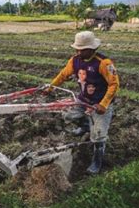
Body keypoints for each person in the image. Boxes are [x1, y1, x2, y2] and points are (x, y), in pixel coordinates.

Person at [46, 31, 120, 174]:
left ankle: (97, 162)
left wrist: (103, 104)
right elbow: (63, 74)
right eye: (77, 48)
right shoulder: (75, 60)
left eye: (82, 49)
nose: (78, 51)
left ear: (92, 49)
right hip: (83, 99)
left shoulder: (104, 63)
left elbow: (114, 84)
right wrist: (50, 87)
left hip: (99, 104)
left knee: (98, 136)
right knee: (67, 114)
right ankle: (86, 125)